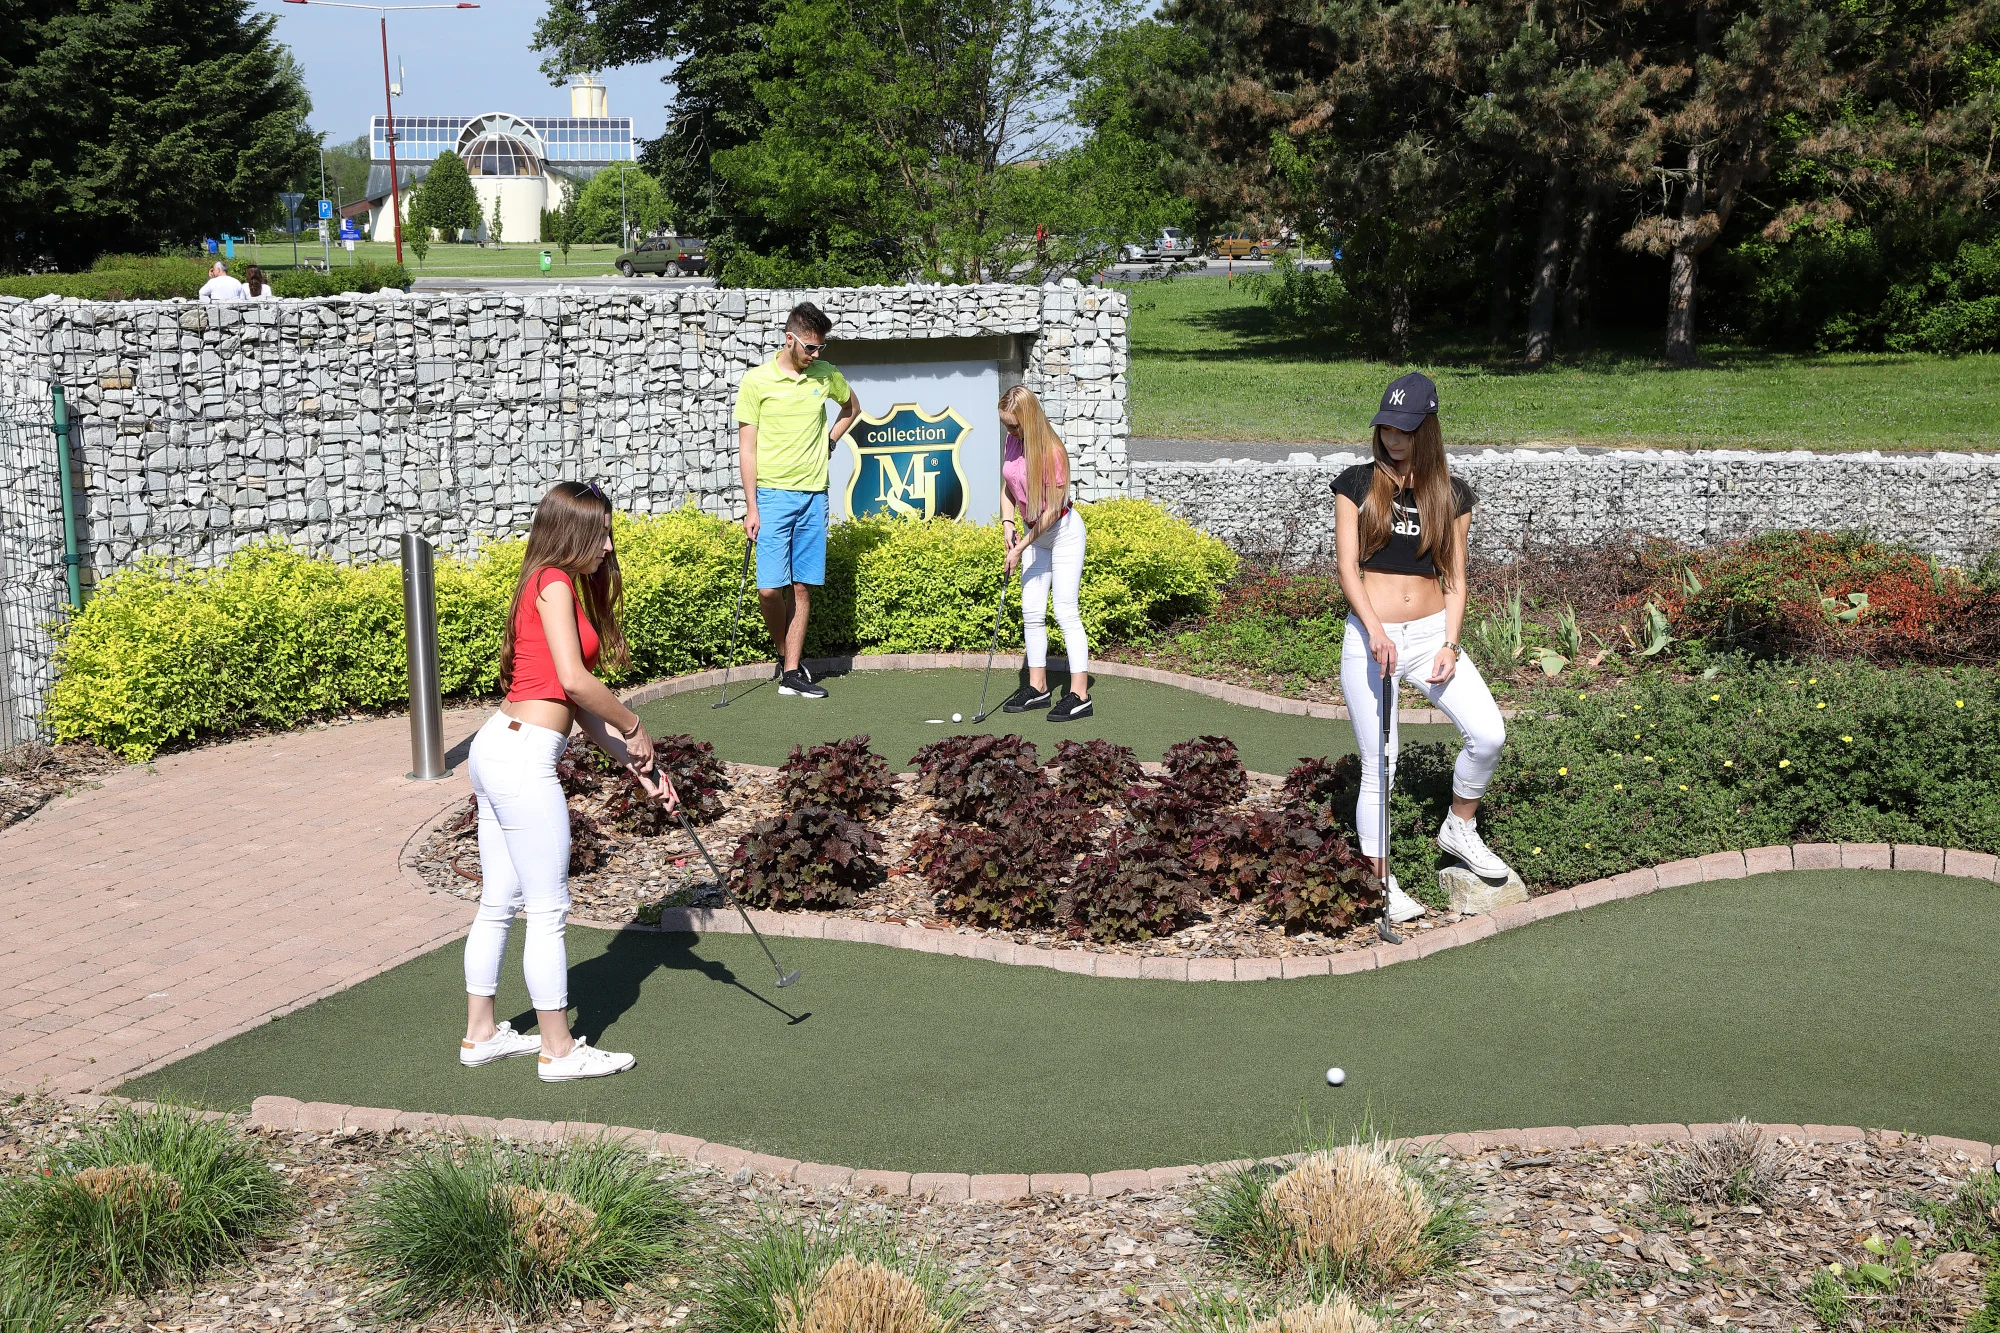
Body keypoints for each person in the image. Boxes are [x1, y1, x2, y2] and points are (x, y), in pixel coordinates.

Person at [460, 481, 677, 1081]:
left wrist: (641, 769)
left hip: (498, 746)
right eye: (601, 532)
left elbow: (575, 708)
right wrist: (636, 725)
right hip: (522, 758)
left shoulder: (549, 584)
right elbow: (578, 683)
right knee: (548, 909)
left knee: (499, 900)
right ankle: (558, 1050)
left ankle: (480, 1034)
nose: (609, 545)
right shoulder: (554, 582)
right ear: (573, 532)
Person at [1332, 372, 1510, 924]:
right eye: (1386, 425)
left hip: (1433, 633)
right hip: (1372, 637)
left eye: (1406, 428)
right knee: (1379, 766)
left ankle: (1459, 826)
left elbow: (1455, 576)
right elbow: (1346, 568)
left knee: (1488, 734)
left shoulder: (1452, 495)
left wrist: (1452, 643)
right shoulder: (1355, 483)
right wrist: (1376, 631)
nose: (1394, 437)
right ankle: (1379, 883)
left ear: (1427, 429)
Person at [734, 302, 860, 700]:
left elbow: (852, 408)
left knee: (802, 589)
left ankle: (791, 671)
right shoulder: (756, 382)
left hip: (813, 495)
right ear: (789, 339)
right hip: (771, 496)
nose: (816, 355)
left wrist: (832, 439)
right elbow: (747, 449)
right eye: (809, 347)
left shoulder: (825, 375)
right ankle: (785, 653)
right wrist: (752, 506)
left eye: (820, 347)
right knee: (770, 590)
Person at [996, 385, 1092, 721]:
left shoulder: (1053, 452)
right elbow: (1007, 485)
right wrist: (1009, 523)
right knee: (1032, 611)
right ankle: (1038, 688)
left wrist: (1021, 546)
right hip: (1031, 533)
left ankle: (1079, 694)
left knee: (1065, 610)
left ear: (1027, 420)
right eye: (1006, 425)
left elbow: (1052, 511)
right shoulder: (1013, 441)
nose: (1008, 431)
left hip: (1062, 532)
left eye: (1012, 425)